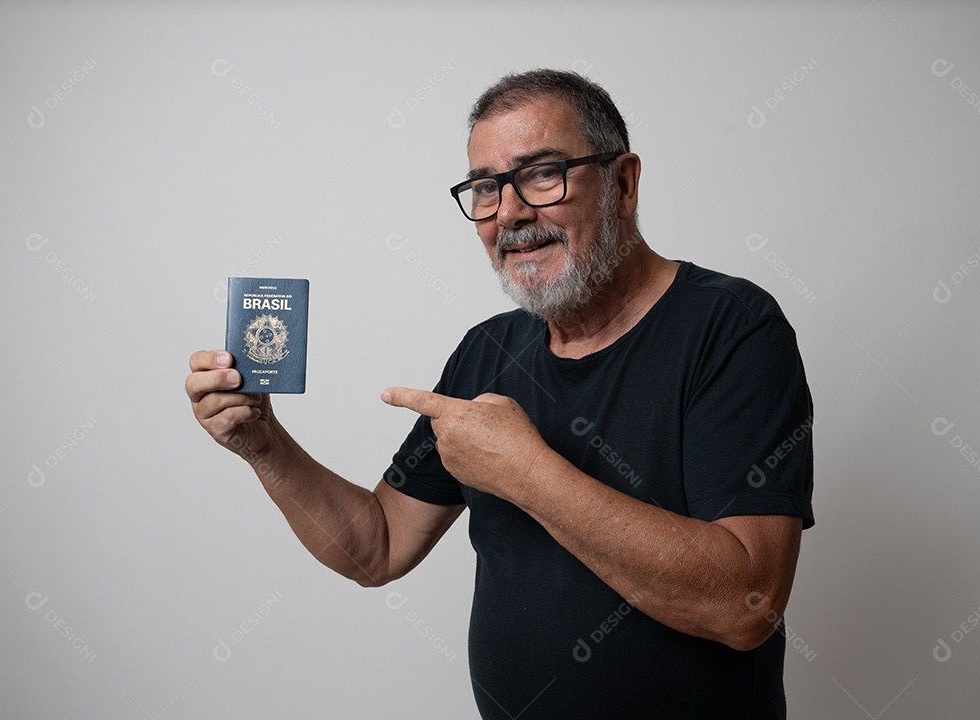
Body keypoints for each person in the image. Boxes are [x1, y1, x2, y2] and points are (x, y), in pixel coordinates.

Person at [187, 69, 814, 719]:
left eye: (542, 173)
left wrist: (528, 473)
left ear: (622, 184)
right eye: (486, 189)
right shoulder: (488, 351)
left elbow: (746, 607)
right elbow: (376, 547)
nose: (509, 212)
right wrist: (263, 446)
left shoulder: (733, 327)